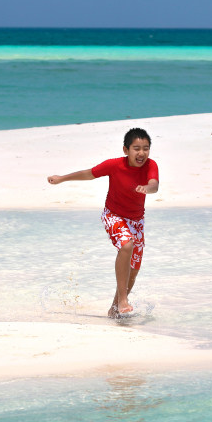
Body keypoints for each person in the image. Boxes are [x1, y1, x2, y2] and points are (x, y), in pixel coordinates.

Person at [47, 128, 159, 318]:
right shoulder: (114, 165)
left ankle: (115, 309)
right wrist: (62, 179)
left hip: (137, 221)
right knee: (126, 245)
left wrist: (147, 188)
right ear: (126, 150)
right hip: (113, 215)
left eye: (146, 148)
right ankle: (123, 299)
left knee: (134, 267)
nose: (141, 153)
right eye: (136, 148)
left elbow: (154, 185)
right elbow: (89, 173)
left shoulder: (151, 165)